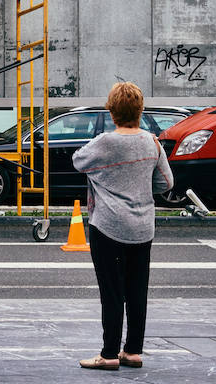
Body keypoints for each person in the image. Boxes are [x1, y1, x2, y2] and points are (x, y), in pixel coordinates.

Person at [71, 82, 173, 370]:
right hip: (143, 227)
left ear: (112, 110)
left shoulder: (106, 142)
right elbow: (167, 182)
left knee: (112, 292)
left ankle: (108, 354)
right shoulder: (152, 142)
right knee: (137, 291)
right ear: (140, 110)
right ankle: (133, 351)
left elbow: (78, 161)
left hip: (108, 227)